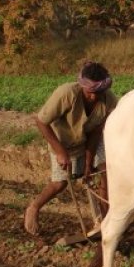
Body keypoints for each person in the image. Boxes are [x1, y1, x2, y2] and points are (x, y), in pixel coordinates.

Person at [24, 61, 118, 236]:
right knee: (60, 183)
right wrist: (60, 152)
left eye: (99, 93)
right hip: (63, 142)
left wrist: (89, 162)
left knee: (104, 172)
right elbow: (41, 121)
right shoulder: (66, 93)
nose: (94, 97)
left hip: (90, 139)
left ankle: (106, 222)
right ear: (83, 86)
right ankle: (34, 207)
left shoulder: (109, 100)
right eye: (90, 93)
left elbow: (97, 132)